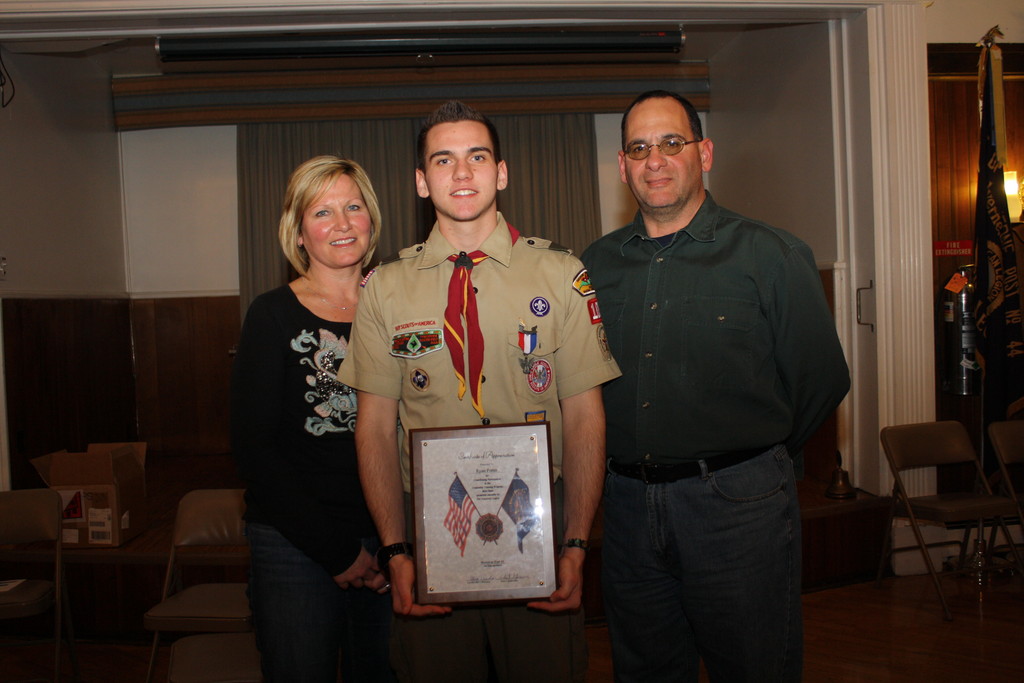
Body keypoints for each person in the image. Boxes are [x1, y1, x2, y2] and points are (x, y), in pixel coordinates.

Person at [338, 100, 621, 682]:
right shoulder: (384, 289)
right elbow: (372, 430)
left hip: (539, 531)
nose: (461, 173)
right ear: (421, 181)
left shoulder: (562, 275)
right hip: (432, 536)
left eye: (477, 157)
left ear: (502, 173)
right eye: (443, 160)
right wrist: (396, 552)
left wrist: (575, 545)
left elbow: (587, 419)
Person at [580, 90, 850, 683]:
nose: (655, 159)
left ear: (704, 152)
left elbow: (821, 380)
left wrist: (748, 456)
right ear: (622, 165)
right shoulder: (593, 267)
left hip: (736, 511)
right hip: (625, 511)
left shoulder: (770, 254)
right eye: (639, 147)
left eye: (671, 143)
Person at [231, 155, 395, 682]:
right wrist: (337, 551)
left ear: (370, 217)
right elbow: (254, 449)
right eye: (322, 212)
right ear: (299, 232)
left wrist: (399, 541)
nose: (342, 224)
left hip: (391, 538)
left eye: (353, 206)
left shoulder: (399, 308)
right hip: (294, 544)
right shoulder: (271, 314)